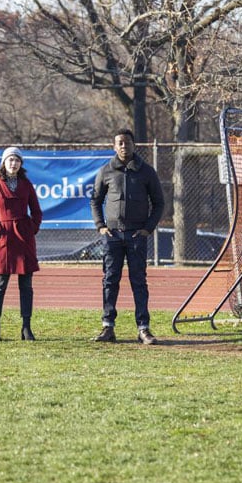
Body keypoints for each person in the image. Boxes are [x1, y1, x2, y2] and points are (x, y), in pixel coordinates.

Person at [90, 128, 165, 344]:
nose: (124, 146)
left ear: (134, 145)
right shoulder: (106, 171)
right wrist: (100, 226)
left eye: (127, 142)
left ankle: (143, 328)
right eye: (120, 143)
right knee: (110, 280)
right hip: (112, 236)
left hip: (136, 236)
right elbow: (95, 200)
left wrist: (148, 228)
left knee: (138, 281)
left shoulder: (147, 172)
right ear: (114, 146)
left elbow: (159, 203)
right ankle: (108, 328)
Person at [0, 146, 43, 342]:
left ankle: (26, 327)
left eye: (17, 160)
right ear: (3, 162)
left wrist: (31, 228)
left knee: (26, 285)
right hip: (5, 239)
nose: (13, 163)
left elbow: (37, 212)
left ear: (21, 163)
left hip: (24, 239)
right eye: (10, 160)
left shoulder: (27, 185)